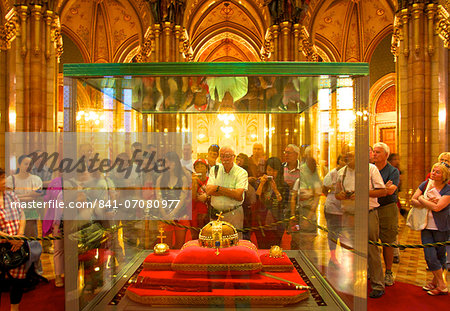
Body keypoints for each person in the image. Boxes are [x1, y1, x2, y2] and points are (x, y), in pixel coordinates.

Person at [335, 151, 387, 298]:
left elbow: (382, 191)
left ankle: (377, 284)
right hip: (348, 214)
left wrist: (362, 193)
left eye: (350, 155)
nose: (346, 158)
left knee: (371, 249)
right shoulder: (341, 172)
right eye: (346, 156)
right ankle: (352, 280)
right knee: (349, 248)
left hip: (367, 213)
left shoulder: (371, 169)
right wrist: (342, 195)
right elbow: (336, 193)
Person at [410, 162, 450, 295]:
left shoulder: (447, 189)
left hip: (441, 226)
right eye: (433, 170)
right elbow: (413, 200)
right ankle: (442, 285)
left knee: (440, 255)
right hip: (426, 225)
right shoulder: (425, 184)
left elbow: (437, 207)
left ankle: (435, 282)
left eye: (437, 172)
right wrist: (424, 200)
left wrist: (422, 200)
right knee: (429, 255)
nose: (433, 173)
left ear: (444, 175)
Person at [373, 142, 400, 287]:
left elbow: (391, 191)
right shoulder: (370, 169)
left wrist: (378, 189)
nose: (374, 154)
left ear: (386, 155)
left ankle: (388, 271)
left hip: (387, 207)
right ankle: (373, 270)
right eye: (374, 151)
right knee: (371, 240)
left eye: (378, 152)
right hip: (372, 207)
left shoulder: (393, 171)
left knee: (388, 240)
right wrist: (383, 187)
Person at [0, 168, 27, 311]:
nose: (5, 182)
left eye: (5, 178)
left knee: (18, 280)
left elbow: (22, 214)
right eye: (1, 179)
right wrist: (11, 239)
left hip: (17, 244)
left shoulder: (11, 195)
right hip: (3, 245)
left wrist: (20, 235)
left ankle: (14, 308)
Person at [205, 146, 248, 232]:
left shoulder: (241, 172)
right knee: (215, 241)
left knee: (235, 241)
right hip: (216, 214)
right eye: (222, 156)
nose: (225, 159)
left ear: (234, 157)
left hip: (234, 214)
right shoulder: (215, 169)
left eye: (228, 156)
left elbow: (238, 195)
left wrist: (217, 188)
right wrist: (231, 191)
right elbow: (209, 190)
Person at [155, 152, 190, 249]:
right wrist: (165, 213)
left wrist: (173, 213)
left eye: (171, 162)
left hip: (180, 214)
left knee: (180, 245)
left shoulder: (182, 179)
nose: (168, 164)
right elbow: (159, 198)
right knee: (166, 246)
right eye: (166, 162)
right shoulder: (161, 179)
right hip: (165, 215)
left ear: (176, 163)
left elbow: (182, 198)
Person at [253, 157, 289, 248]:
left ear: (279, 171)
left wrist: (275, 190)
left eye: (274, 171)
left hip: (276, 222)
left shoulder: (284, 185)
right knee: (261, 247)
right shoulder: (261, 182)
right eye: (269, 170)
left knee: (275, 248)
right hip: (261, 221)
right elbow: (256, 199)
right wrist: (261, 184)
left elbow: (283, 204)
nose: (271, 173)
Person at [322, 155, 346, 267]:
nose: (344, 162)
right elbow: (324, 188)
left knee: (345, 234)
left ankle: (345, 258)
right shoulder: (332, 173)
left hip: (346, 208)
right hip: (333, 208)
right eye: (342, 160)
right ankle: (333, 257)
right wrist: (333, 197)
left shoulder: (350, 172)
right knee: (333, 232)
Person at [388, 152, 403, 263]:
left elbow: (393, 188)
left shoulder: (394, 171)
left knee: (392, 230)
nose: (397, 161)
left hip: (391, 202)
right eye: (395, 159)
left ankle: (395, 253)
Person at [191, 159, 210, 239]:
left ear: (206, 169)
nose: (200, 168)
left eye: (202, 166)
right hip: (195, 212)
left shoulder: (210, 180)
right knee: (195, 236)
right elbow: (193, 197)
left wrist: (207, 196)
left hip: (208, 212)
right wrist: (194, 183)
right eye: (197, 167)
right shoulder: (192, 180)